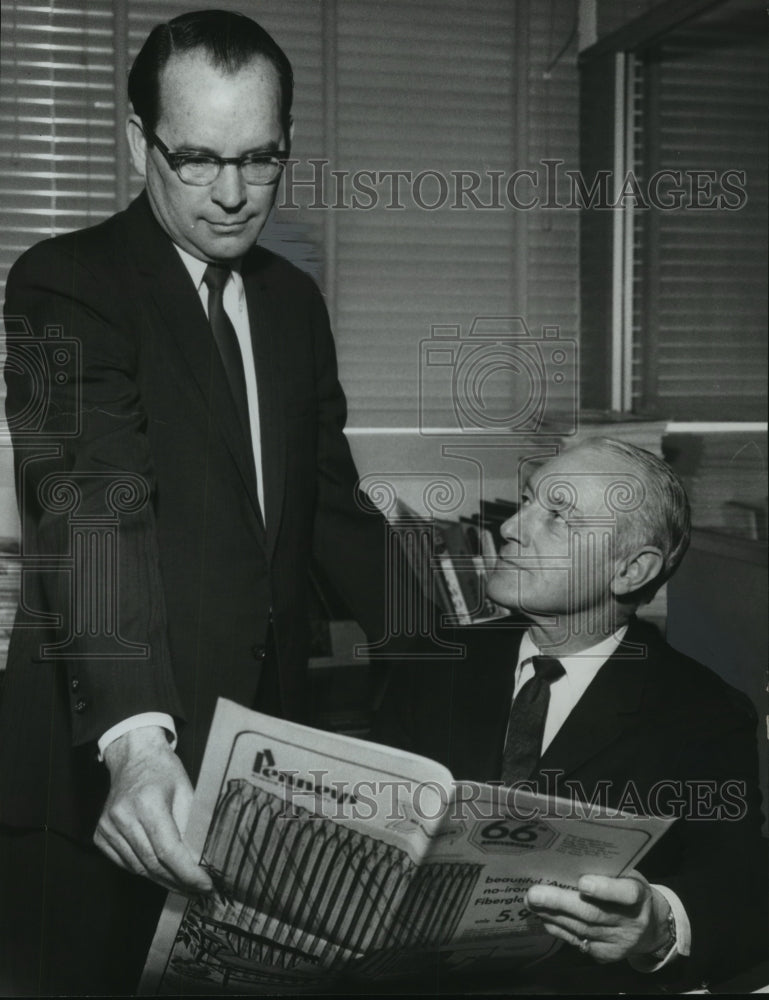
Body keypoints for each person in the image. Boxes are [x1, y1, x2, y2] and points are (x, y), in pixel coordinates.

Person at [0, 10, 389, 994]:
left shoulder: (295, 305)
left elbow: (331, 516)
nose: (230, 195)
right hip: (99, 789)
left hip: (258, 781)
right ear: (139, 142)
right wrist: (134, 739)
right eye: (197, 159)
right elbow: (87, 500)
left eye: (259, 161)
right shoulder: (64, 282)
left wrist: (478, 646)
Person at [374, 437, 768, 992]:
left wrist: (656, 925)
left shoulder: (702, 713)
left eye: (558, 517)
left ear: (631, 570)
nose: (511, 528)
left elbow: (742, 890)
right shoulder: (434, 664)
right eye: (528, 501)